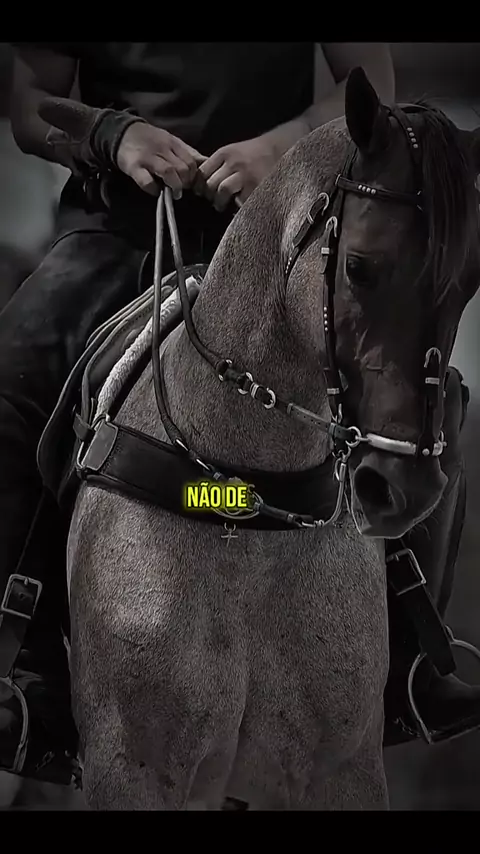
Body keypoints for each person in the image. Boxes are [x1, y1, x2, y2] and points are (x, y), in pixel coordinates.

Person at [0, 42, 478, 784]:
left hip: (292, 234)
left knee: (429, 395)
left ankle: (414, 655)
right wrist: (112, 135)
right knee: (10, 378)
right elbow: (31, 103)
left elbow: (370, 86)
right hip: (119, 229)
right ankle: (22, 668)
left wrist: (282, 154)